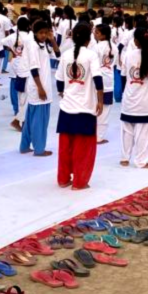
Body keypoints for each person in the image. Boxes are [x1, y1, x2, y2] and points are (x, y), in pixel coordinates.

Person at [54, 24, 103, 190]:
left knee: (65, 148)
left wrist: (63, 92)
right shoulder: (91, 55)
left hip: (67, 107)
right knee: (83, 149)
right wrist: (100, 100)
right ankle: (79, 183)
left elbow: (59, 80)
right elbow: (98, 79)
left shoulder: (66, 55)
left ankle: (63, 179)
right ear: (89, 40)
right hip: (85, 108)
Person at [118, 27, 148, 168]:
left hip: (129, 100)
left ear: (136, 41)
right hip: (145, 102)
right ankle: (141, 161)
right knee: (144, 133)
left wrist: (126, 91)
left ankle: (125, 158)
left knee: (126, 131)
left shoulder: (128, 56)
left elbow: (124, 77)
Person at [19, 20, 58, 157]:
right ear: (35, 32)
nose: (43, 35)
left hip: (43, 85)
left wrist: (52, 40)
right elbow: (34, 69)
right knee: (39, 121)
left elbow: (58, 55)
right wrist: (40, 88)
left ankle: (24, 146)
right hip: (38, 86)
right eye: (41, 33)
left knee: (30, 118)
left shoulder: (44, 45)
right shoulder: (33, 46)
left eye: (45, 33)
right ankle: (39, 148)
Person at [92, 24, 116, 144]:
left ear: (104, 35)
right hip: (108, 81)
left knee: (95, 107)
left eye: (97, 33)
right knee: (105, 110)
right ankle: (99, 136)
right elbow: (114, 64)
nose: (95, 34)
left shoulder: (96, 48)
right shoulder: (114, 47)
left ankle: (95, 135)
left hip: (97, 81)